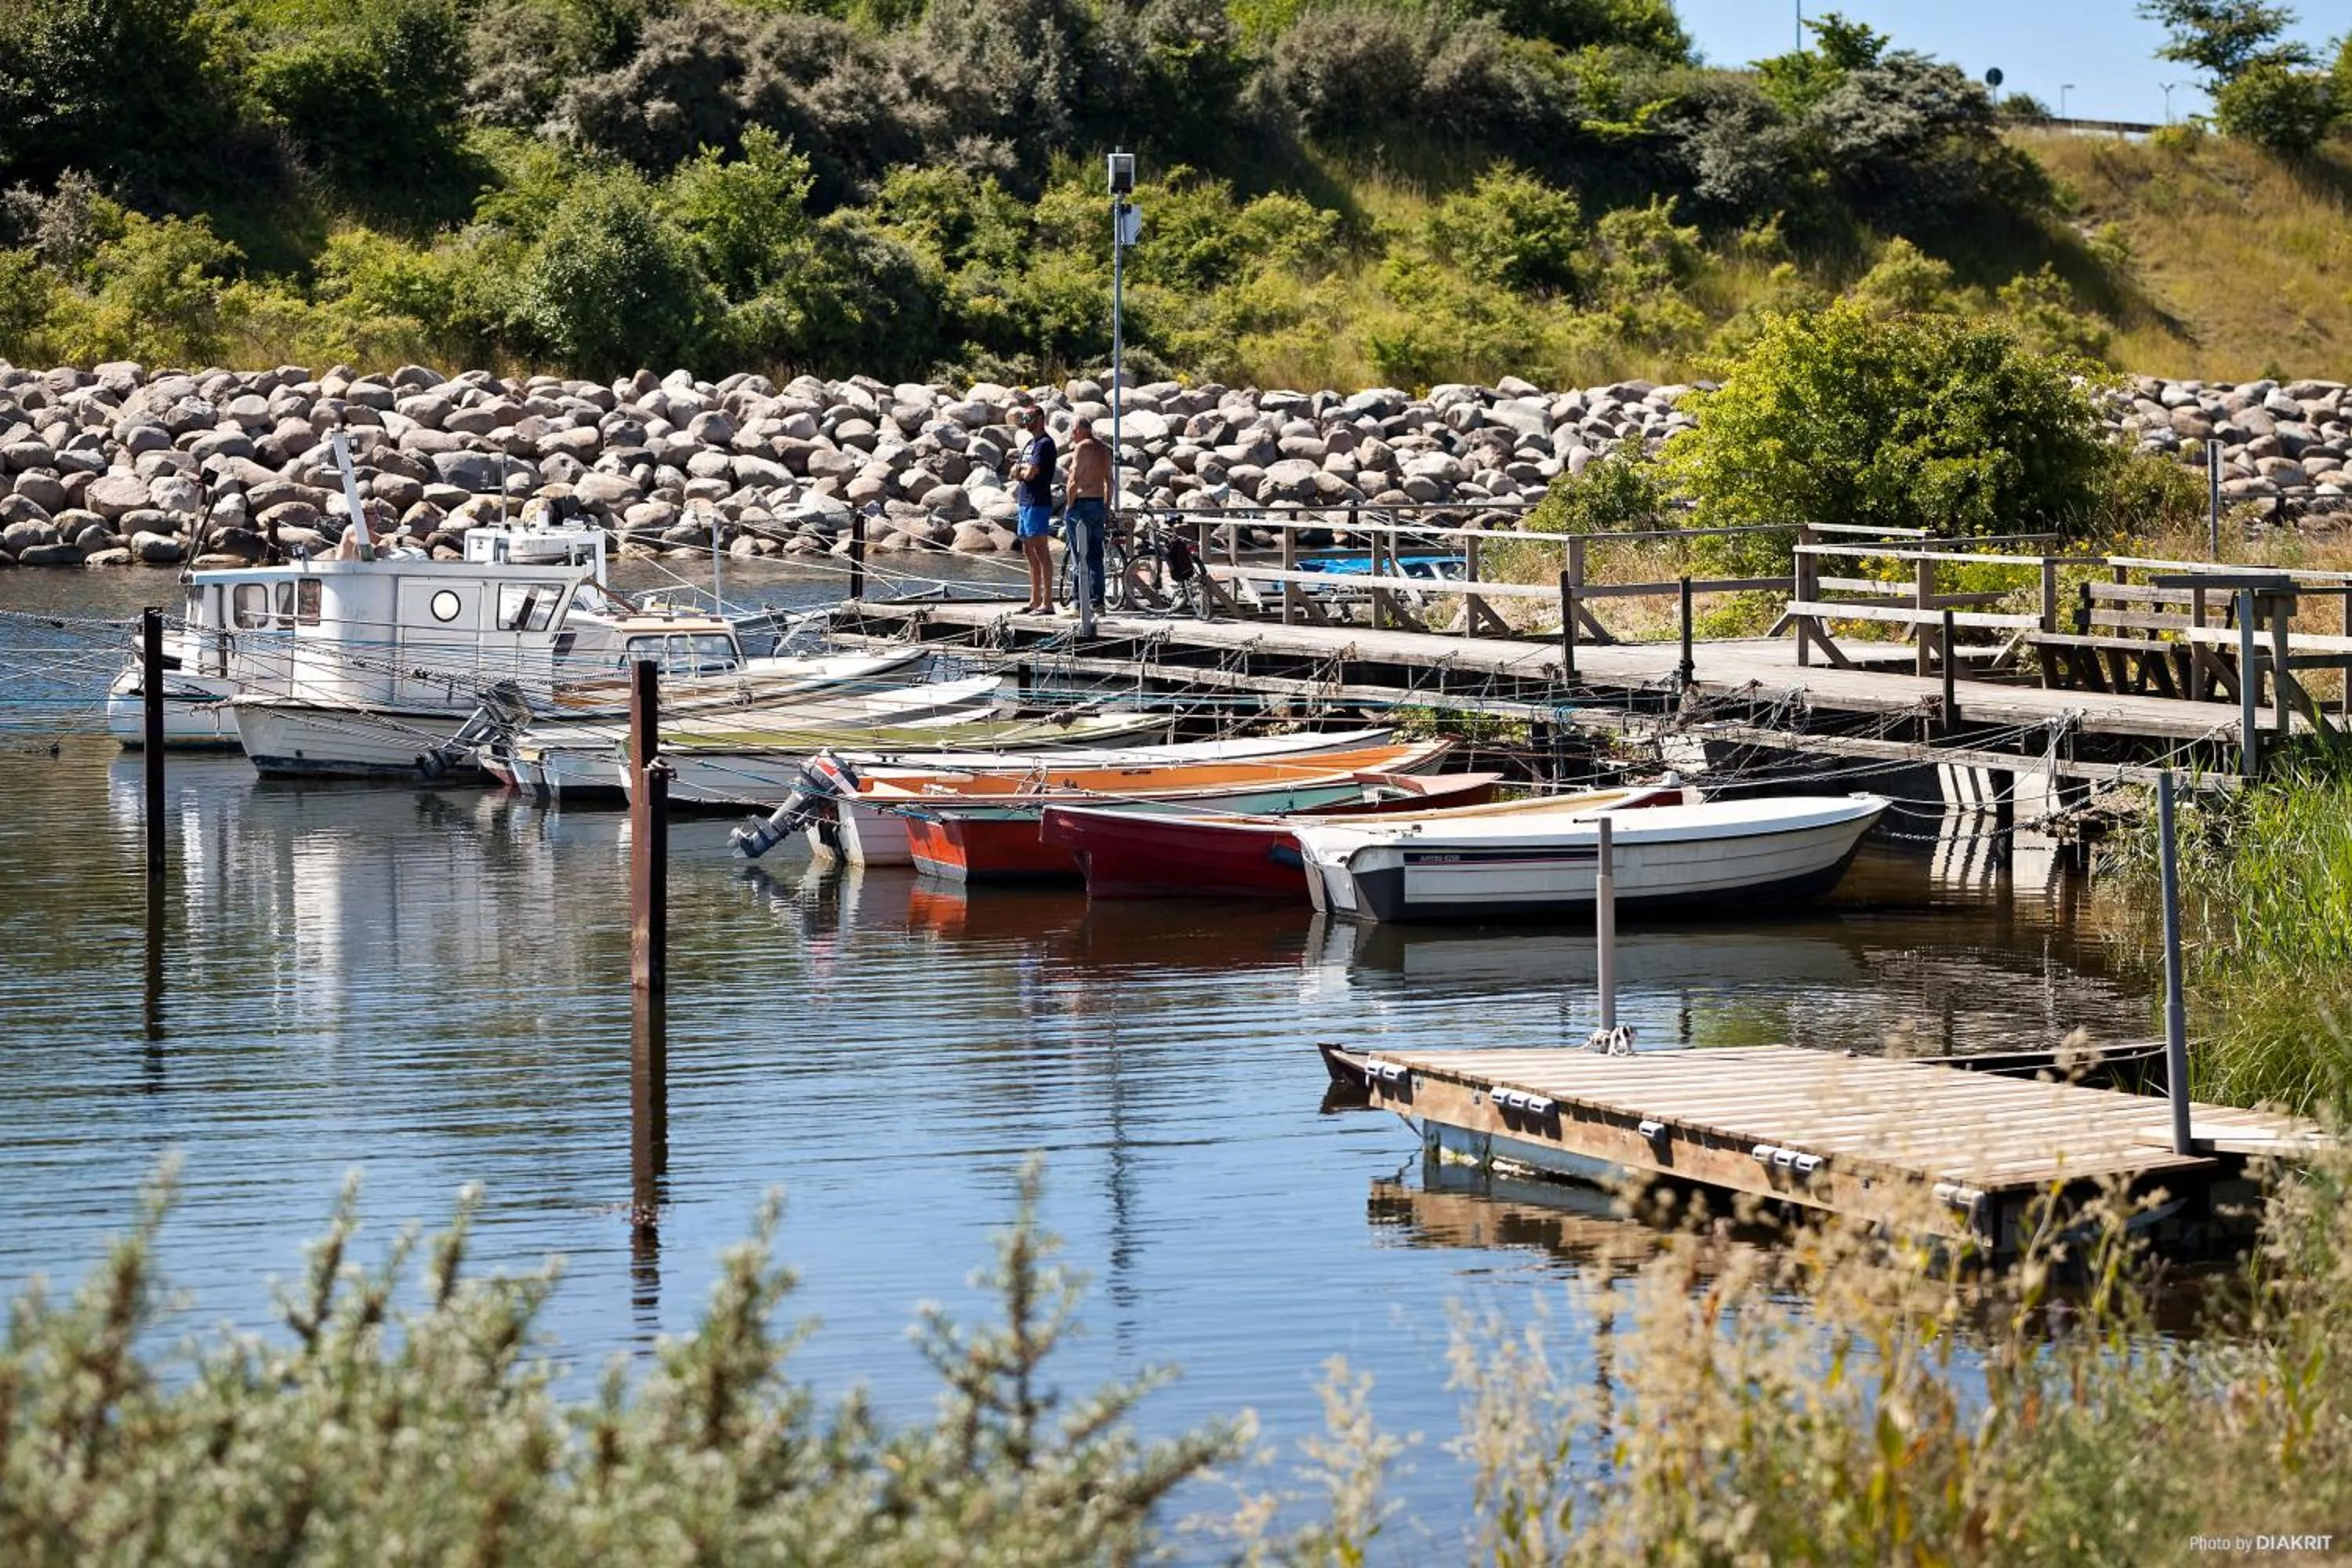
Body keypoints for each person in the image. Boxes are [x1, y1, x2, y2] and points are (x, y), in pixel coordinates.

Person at [1012, 406, 1058, 612]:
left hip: (1038, 502)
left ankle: (1048, 602)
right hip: (1024, 501)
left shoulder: (1045, 444)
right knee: (1027, 550)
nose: (1026, 421)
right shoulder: (1030, 444)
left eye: (1029, 417)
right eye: (1024, 418)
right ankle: (1035, 600)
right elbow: (1015, 471)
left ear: (1040, 418)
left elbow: (1030, 473)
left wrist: (1022, 472)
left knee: (1041, 550)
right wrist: (1022, 471)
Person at [1065, 416, 1112, 609]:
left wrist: (1069, 505)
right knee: (1096, 556)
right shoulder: (1104, 449)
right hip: (1099, 503)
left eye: (1073, 430)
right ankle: (1098, 603)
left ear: (1080, 430)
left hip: (1081, 505)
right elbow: (1110, 481)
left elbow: (1074, 479)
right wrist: (1107, 506)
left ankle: (1077, 602)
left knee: (1079, 555)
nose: (1072, 435)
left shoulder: (1082, 447)